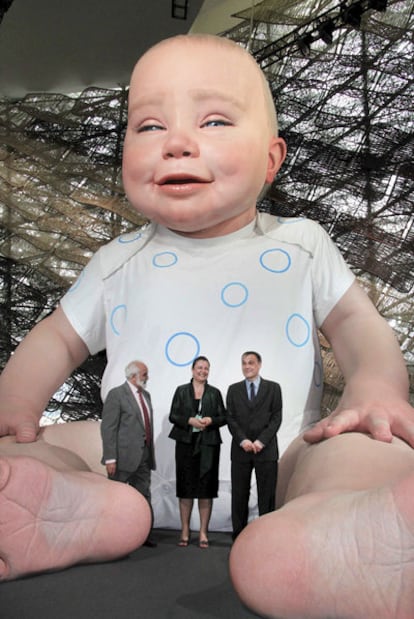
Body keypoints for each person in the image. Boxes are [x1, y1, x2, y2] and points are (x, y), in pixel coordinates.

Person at [0, 33, 412, 619]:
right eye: (147, 127)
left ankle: (343, 530)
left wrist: (376, 389)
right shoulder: (118, 259)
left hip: (282, 459)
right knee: (42, 449)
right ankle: (76, 508)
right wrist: (14, 404)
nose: (176, 144)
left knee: (360, 451)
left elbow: (358, 326)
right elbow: (58, 338)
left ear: (272, 159)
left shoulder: (300, 243)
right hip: (127, 461)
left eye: (214, 121)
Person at [168, 356, 226, 548]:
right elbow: (173, 415)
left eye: (206, 368)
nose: (203, 371)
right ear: (192, 370)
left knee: (205, 490)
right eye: (200, 367)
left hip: (208, 445)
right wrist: (189, 421)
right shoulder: (181, 391)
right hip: (185, 444)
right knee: (185, 489)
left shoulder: (215, 393)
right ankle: (185, 530)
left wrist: (211, 420)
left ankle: (203, 532)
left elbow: (223, 417)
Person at [101, 360, 157, 547]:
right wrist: (110, 458)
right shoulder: (116, 395)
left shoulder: (146, 396)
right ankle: (111, 536)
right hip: (122, 458)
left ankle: (143, 534)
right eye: (144, 374)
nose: (147, 377)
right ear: (133, 376)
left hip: (144, 457)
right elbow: (108, 428)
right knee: (116, 499)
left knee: (143, 495)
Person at [226, 351, 282, 540]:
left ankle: (265, 536)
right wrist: (243, 440)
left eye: (251, 363)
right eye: (243, 363)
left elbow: (276, 418)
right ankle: (239, 535)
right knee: (239, 494)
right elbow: (230, 418)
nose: (247, 366)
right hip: (241, 450)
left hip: (266, 451)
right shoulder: (233, 390)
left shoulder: (273, 388)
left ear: (259, 365)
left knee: (266, 495)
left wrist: (260, 441)